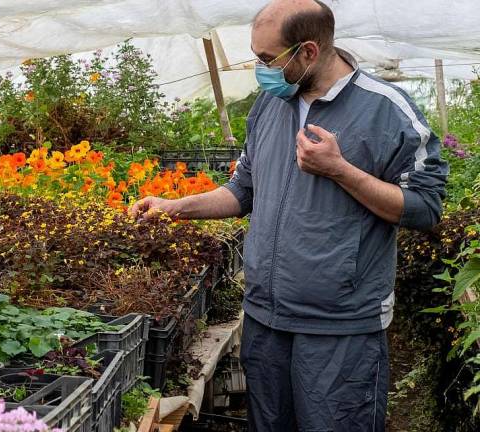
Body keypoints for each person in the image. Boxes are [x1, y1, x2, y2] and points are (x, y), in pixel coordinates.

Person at [129, 0, 448, 430]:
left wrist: (340, 170)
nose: (260, 69)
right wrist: (174, 208)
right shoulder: (269, 106)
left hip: (340, 326)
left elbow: (424, 209)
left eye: (266, 59)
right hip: (266, 319)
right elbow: (243, 192)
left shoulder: (387, 110)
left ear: (309, 52)